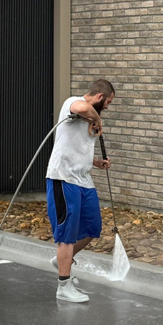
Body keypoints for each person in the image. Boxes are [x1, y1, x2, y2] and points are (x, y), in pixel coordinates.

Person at [45, 79, 115, 303]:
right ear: (100, 98)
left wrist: (96, 162)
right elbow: (82, 108)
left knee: (93, 228)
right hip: (63, 179)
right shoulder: (73, 103)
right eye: (108, 103)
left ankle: (62, 260)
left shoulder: (88, 117)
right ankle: (63, 287)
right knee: (66, 235)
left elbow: (76, 147)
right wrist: (97, 118)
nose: (107, 108)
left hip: (83, 181)